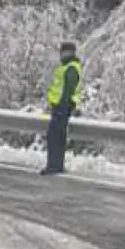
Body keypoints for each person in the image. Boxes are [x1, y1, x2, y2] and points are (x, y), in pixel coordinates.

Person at [41, 42, 84, 175]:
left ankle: (54, 166)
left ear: (70, 53)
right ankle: (56, 165)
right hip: (60, 108)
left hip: (62, 109)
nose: (62, 54)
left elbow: (67, 91)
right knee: (56, 137)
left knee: (55, 137)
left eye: (64, 52)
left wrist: (62, 109)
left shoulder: (71, 68)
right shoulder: (66, 67)